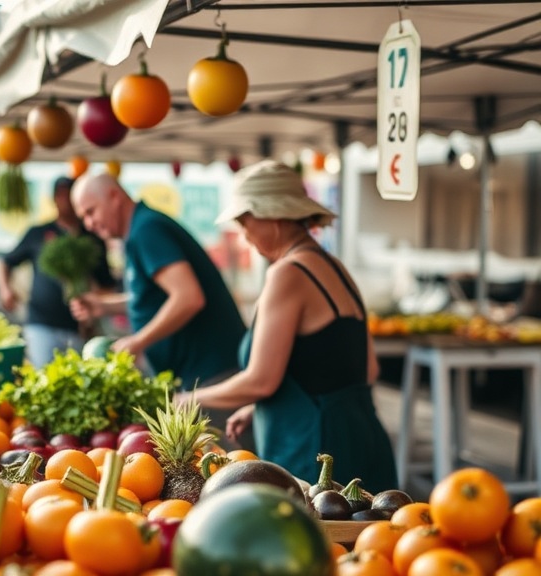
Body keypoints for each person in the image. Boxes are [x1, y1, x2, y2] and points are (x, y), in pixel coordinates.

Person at [174, 160, 397, 493]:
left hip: (316, 452)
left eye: (244, 221)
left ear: (273, 215)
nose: (244, 235)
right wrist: (263, 408)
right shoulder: (333, 266)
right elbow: (366, 369)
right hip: (362, 439)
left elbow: (261, 381)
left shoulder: (287, 273)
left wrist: (188, 398)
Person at [69, 173, 245, 389]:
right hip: (198, 375)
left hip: (211, 375)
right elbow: (153, 297)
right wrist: (104, 306)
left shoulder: (147, 231)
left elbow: (188, 298)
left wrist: (138, 341)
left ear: (114, 196)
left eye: (90, 212)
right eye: (83, 217)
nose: (88, 224)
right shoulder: (139, 230)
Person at [0, 176, 117, 367]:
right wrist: (5, 290)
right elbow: (5, 262)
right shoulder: (38, 233)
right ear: (53, 199)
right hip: (41, 324)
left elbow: (107, 285)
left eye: (68, 195)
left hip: (78, 328)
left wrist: (95, 303)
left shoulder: (93, 237)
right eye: (59, 195)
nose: (64, 201)